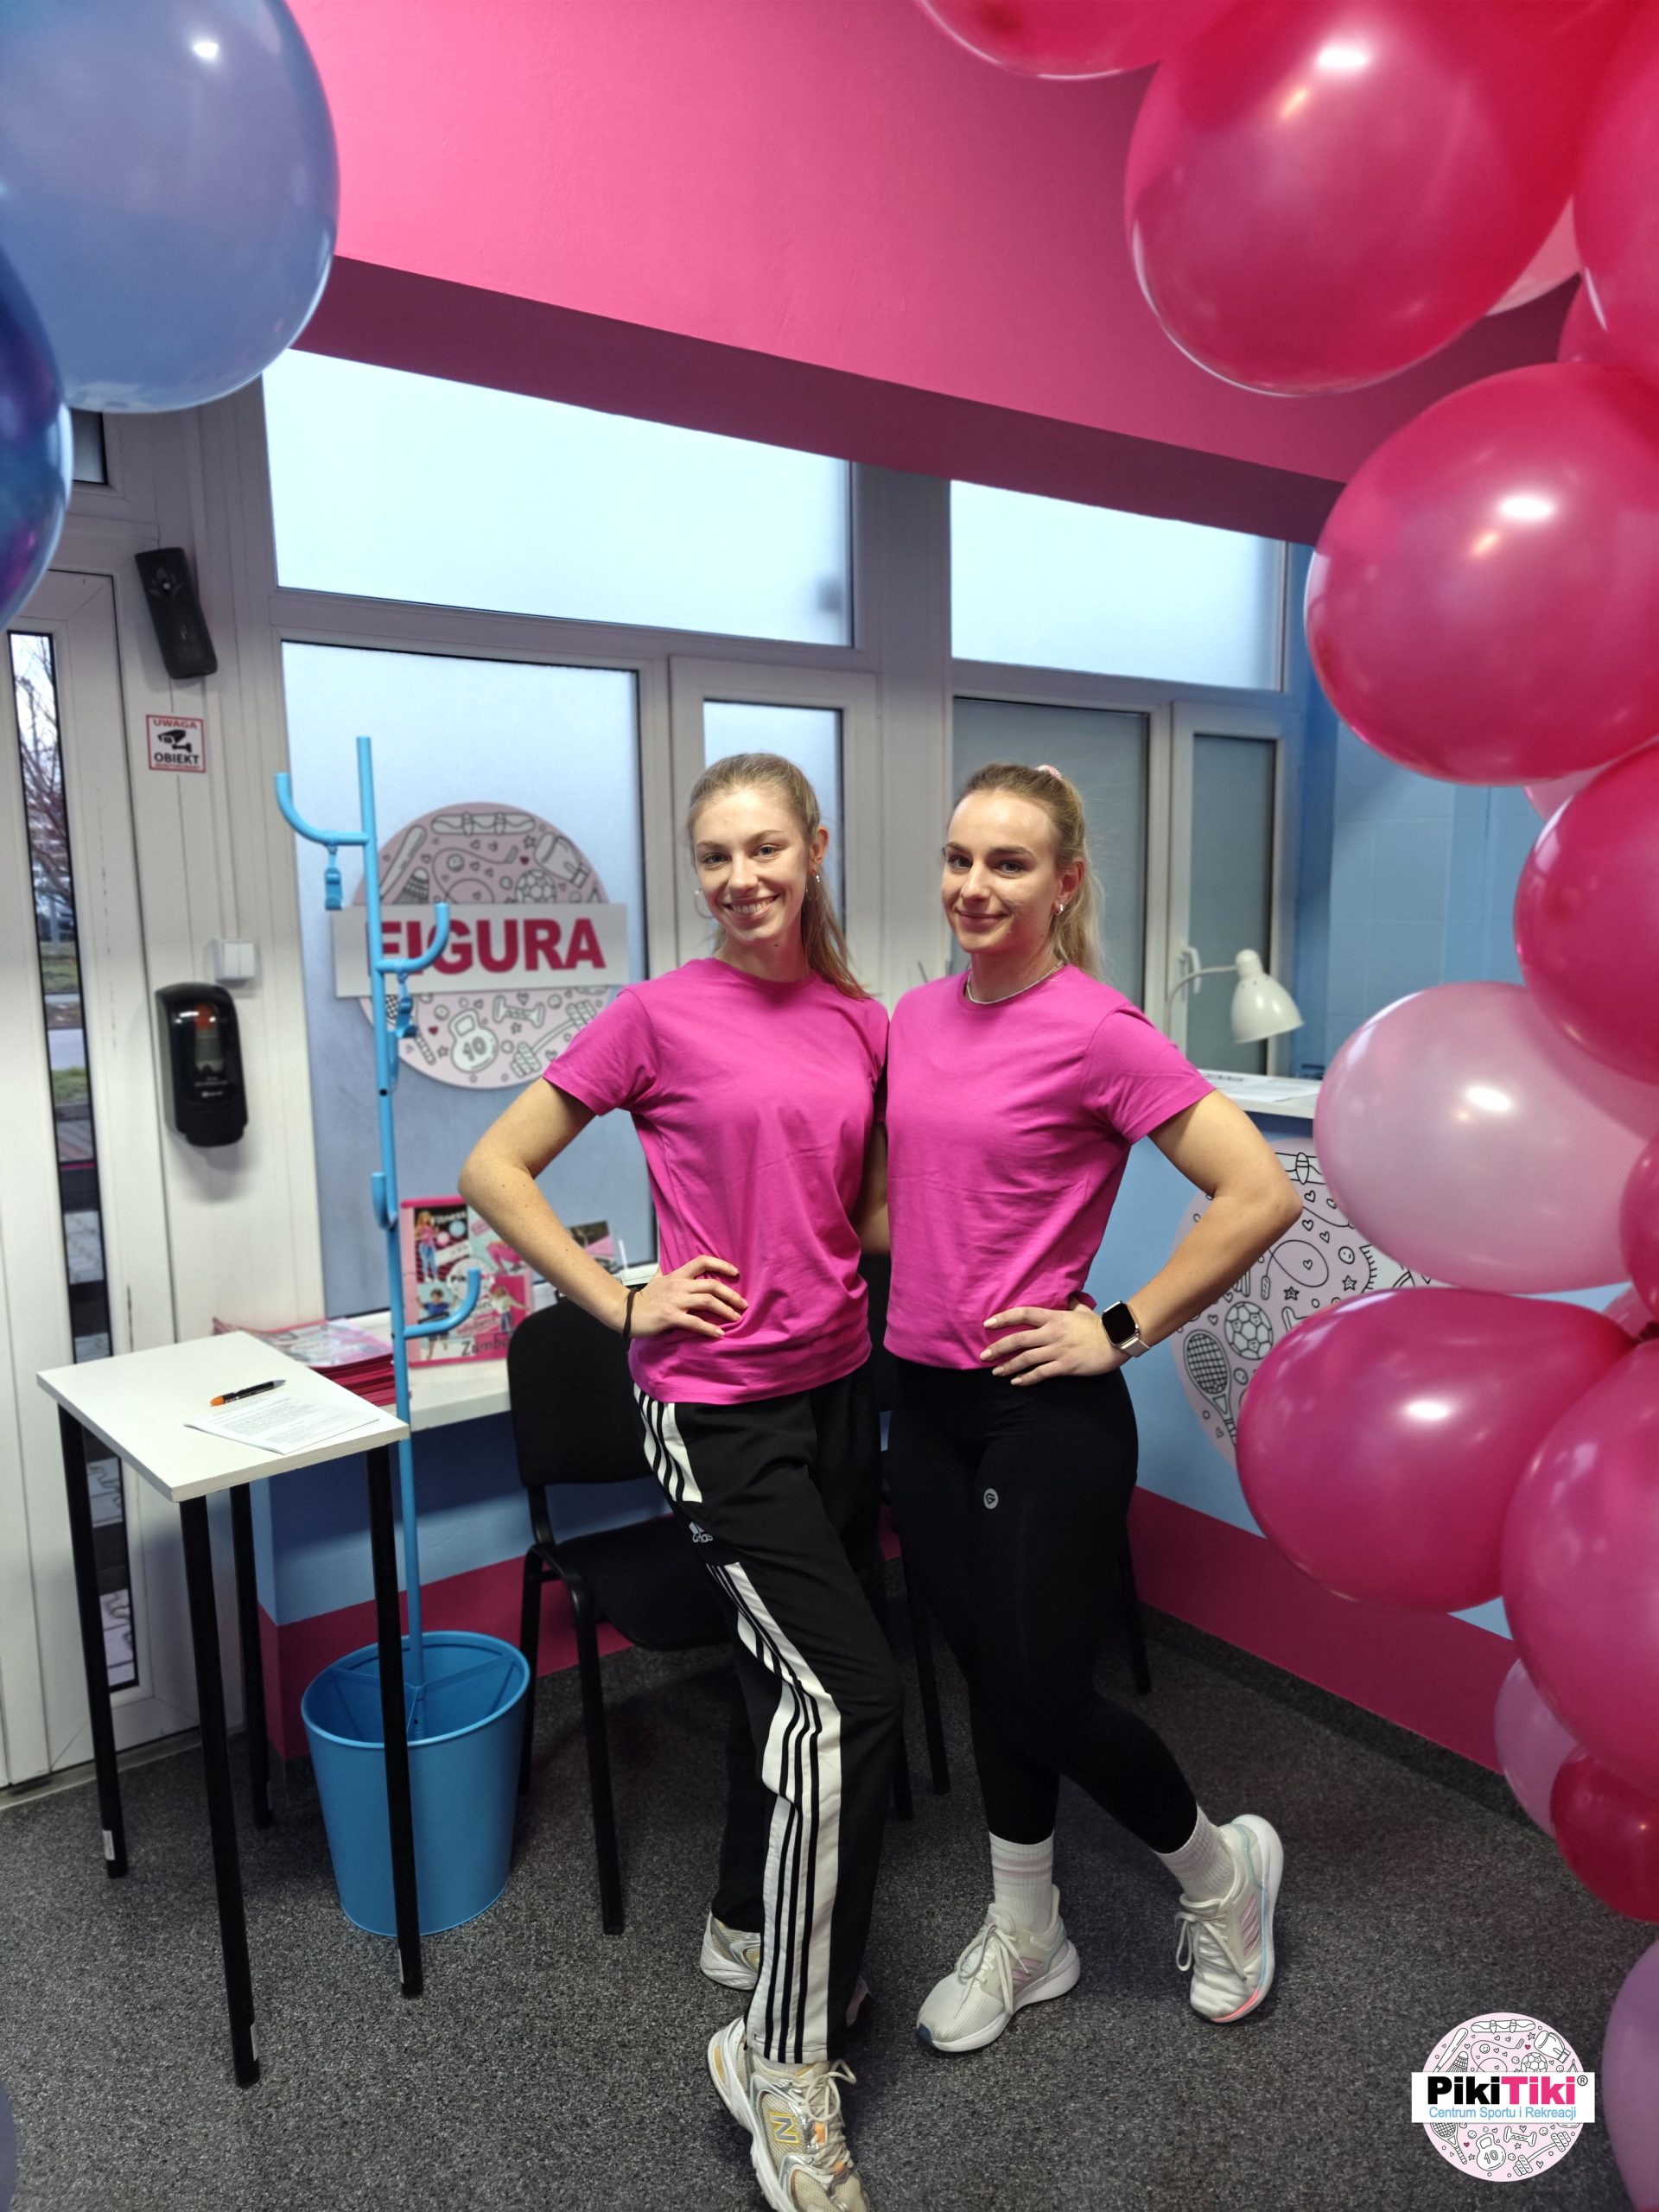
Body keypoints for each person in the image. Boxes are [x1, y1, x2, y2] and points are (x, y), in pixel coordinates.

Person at [459, 752, 896, 2212]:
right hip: (716, 1412)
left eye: (765, 847)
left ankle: (738, 1918)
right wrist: (617, 1298)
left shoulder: (860, 1020)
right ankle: (779, 2061)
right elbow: (498, 1166)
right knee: (856, 1700)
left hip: (839, 1388)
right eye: (716, 856)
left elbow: (867, 1216)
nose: (741, 877)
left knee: (784, 1686)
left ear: (814, 848)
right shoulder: (655, 1015)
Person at [880, 760, 1301, 2056]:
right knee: (989, 1678)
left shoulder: (1099, 1029)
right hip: (922, 1400)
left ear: (1065, 884)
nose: (974, 886)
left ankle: (1224, 1878)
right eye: (959, 858)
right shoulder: (914, 1018)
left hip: (1041, 1412)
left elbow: (1259, 1193)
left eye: (1008, 864)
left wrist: (1117, 1326)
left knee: (1045, 1694)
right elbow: (909, 1211)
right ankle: (1030, 1935)